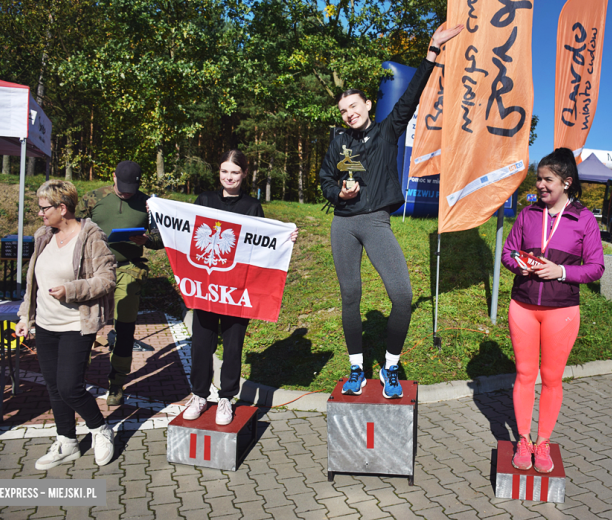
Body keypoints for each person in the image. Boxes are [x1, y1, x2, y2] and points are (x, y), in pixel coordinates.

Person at [319, 22, 464, 399]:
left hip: (376, 222)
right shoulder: (338, 143)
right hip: (343, 225)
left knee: (401, 295)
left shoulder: (387, 131)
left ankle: (389, 368)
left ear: (368, 104)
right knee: (350, 296)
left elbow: (412, 97)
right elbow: (324, 181)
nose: (349, 113)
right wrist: (340, 194)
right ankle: (355, 368)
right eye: (343, 110)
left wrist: (431, 53)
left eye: (354, 106)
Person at [501, 148, 605, 473]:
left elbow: (596, 267)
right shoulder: (528, 214)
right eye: (539, 179)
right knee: (524, 374)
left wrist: (559, 272)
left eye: (548, 180)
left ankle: (543, 442)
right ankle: (522, 439)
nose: (541, 185)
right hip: (522, 306)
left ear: (566, 182)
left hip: (562, 310)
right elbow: (507, 252)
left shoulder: (583, 219)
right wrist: (522, 266)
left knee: (551, 377)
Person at [182, 149, 298, 426]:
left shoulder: (251, 206)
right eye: (224, 171)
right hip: (206, 290)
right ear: (218, 172)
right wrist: (158, 213)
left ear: (244, 174)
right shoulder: (205, 200)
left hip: (236, 292)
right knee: (200, 345)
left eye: (235, 172)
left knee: (233, 347)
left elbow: (262, 245)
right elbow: (184, 229)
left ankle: (226, 398)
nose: (229, 177)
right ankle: (199, 394)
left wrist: (285, 238)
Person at [16, 180, 117, 469]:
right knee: (53, 387)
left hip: (76, 324)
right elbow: (33, 282)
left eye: (44, 208)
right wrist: (26, 317)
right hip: (46, 325)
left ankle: (100, 429)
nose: (40, 214)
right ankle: (67, 442)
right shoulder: (43, 235)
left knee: (70, 387)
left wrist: (71, 290)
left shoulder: (91, 236)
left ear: (63, 208)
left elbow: (106, 278)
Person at [77, 161, 164, 406]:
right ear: (112, 177)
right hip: (94, 269)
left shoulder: (149, 204)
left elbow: (161, 238)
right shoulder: (93, 199)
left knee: (125, 326)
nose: (126, 193)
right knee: (86, 324)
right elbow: (73, 229)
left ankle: (117, 382)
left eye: (131, 189)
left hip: (128, 268)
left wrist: (146, 239)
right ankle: (77, 377)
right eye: (121, 187)